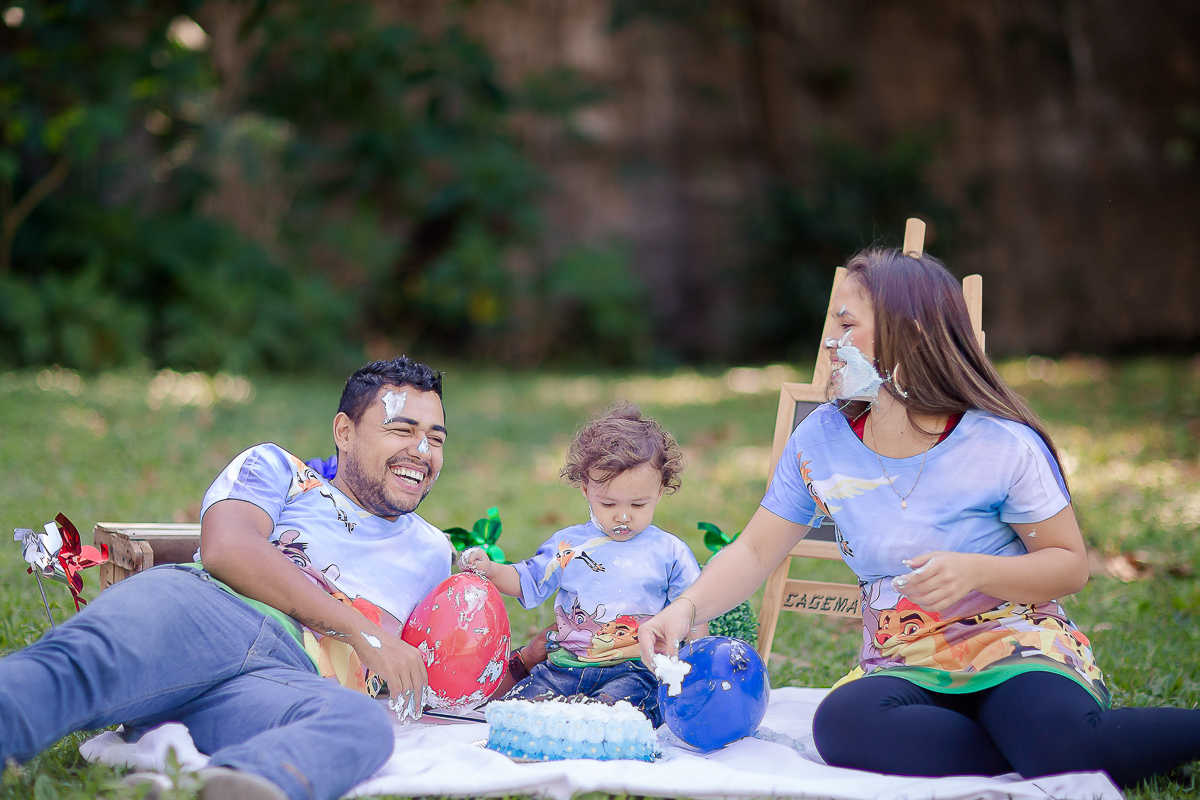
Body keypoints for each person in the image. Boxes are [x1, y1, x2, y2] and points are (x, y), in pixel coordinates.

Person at [639, 249, 1200, 787]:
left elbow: (1069, 565)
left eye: (848, 326)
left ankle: (1066, 744)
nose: (831, 343)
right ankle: (1037, 750)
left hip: (1014, 643)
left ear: (912, 335)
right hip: (903, 658)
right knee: (842, 725)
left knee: (1065, 745)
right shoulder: (822, 440)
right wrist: (684, 609)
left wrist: (975, 572)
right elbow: (756, 550)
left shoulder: (1003, 444)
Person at [0, 357, 454, 800]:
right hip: (201, 610)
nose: (421, 452)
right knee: (77, 668)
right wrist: (362, 632)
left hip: (281, 680)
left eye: (436, 439)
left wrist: (518, 661)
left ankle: (213, 788)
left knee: (360, 724)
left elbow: (438, 664)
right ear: (345, 432)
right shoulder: (279, 469)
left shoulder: (434, 554)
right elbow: (228, 548)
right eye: (402, 429)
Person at [463, 405, 702, 725]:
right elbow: (528, 579)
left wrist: (694, 658)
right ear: (585, 488)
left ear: (659, 491)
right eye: (609, 503)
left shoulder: (670, 551)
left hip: (634, 670)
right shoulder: (569, 546)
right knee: (517, 713)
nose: (623, 516)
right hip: (564, 667)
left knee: (621, 714)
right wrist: (492, 569)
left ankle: (596, 719)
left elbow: (696, 606)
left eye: (638, 504)